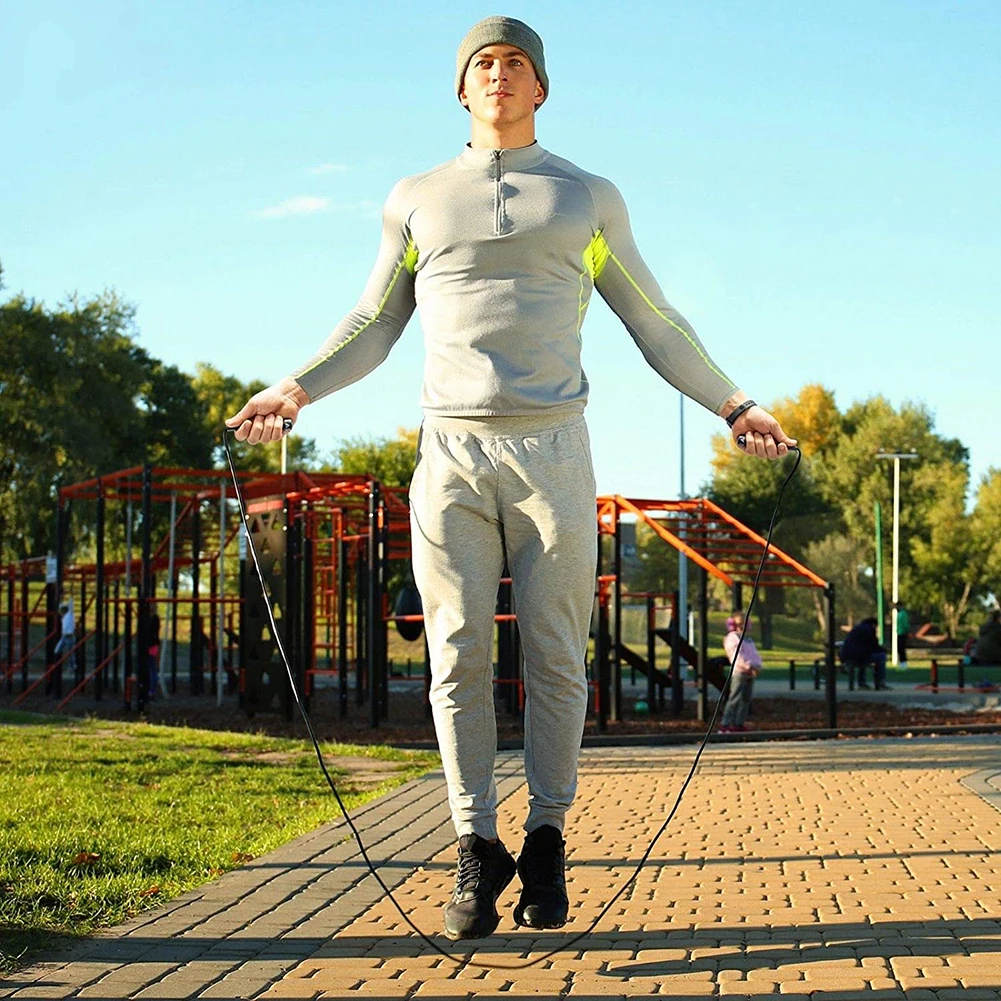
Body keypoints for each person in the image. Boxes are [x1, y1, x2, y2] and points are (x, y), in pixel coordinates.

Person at [227, 15, 796, 941]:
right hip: (449, 454)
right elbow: (372, 321)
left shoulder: (586, 199)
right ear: (460, 88)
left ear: (541, 87)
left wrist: (735, 405)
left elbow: (652, 319)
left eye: (516, 62)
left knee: (555, 654)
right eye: (483, 63)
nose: (499, 74)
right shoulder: (415, 199)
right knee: (454, 653)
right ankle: (473, 842)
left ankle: (546, 837)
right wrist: (295, 388)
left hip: (553, 452)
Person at [719, 614, 762, 732]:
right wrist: (748, 667)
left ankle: (738, 723)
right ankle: (726, 724)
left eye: (745, 623)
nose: (743, 626)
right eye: (740, 624)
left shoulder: (747, 639)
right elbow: (737, 656)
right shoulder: (732, 638)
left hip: (750, 672)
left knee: (745, 699)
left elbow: (754, 654)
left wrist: (757, 665)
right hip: (740, 672)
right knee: (735, 698)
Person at [841, 617, 887, 689]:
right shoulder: (870, 630)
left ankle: (862, 682)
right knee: (881, 657)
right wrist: (883, 650)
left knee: (864, 656)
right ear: (874, 625)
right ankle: (880, 681)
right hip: (860, 656)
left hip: (847, 656)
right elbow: (873, 645)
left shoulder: (857, 628)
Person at [894, 602, 910, 669]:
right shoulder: (899, 614)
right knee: (900, 649)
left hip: (902, 633)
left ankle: (903, 664)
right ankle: (901, 663)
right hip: (899, 633)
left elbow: (905, 624)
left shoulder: (903, 614)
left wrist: (906, 632)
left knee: (902, 649)